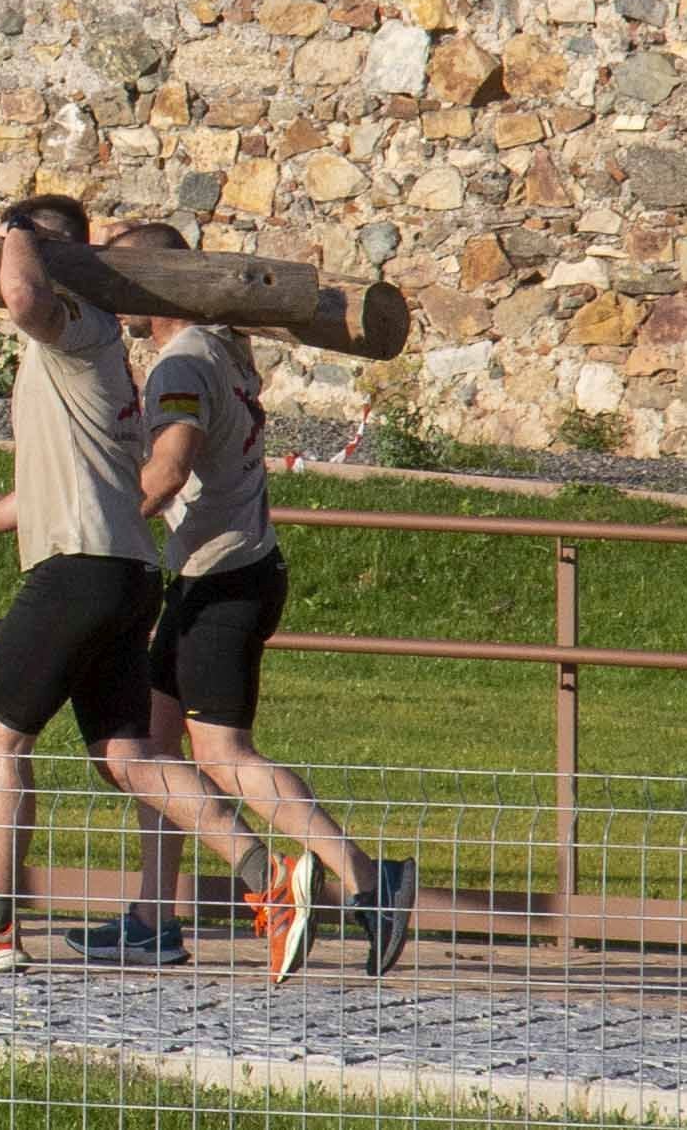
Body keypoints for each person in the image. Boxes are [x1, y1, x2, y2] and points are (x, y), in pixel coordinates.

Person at [0, 196, 307, 978]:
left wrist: (23, 235)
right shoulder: (98, 354)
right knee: (127, 754)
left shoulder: (73, 329)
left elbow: (21, 293)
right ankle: (272, 885)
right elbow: (65, 483)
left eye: (12, 246)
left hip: (74, 574)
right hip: (119, 572)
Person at [65, 220, 417, 977]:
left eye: (115, 280)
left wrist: (92, 531)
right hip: (217, 573)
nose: (106, 294)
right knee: (154, 756)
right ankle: (151, 919)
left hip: (222, 580)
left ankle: (364, 875)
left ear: (146, 287)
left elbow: (167, 469)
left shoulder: (182, 365)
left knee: (221, 755)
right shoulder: (219, 346)